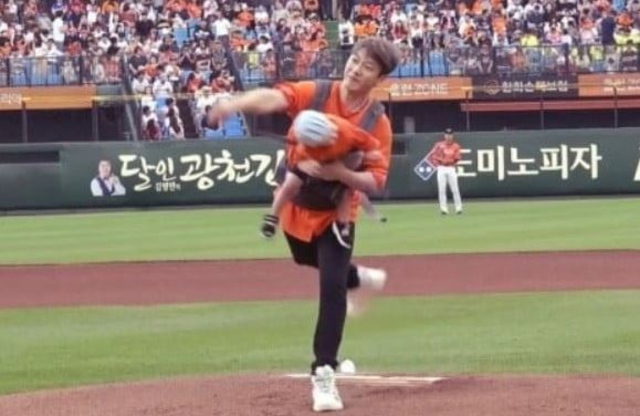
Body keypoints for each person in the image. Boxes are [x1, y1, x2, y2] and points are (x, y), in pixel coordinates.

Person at [208, 37, 399, 413]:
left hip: (338, 210)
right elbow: (274, 98)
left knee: (331, 286)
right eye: (355, 60)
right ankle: (359, 278)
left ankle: (324, 372)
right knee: (304, 257)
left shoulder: (377, 122)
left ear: (379, 79)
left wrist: (339, 173)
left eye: (368, 67)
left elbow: (375, 180)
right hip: (298, 204)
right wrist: (233, 104)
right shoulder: (318, 93)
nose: (356, 69)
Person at [260, 109, 382, 248]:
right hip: (309, 162)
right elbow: (293, 161)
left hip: (340, 161)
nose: (332, 138)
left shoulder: (346, 131)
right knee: (289, 185)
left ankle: (343, 226)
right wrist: (304, 164)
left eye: (330, 134)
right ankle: (272, 218)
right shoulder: (298, 142)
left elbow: (371, 146)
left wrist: (363, 157)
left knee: (344, 191)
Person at [428, 128, 463, 215]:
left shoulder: (456, 146)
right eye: (447, 134)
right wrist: (437, 164)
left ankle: (458, 208)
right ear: (444, 135)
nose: (448, 136)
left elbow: (457, 157)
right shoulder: (439, 145)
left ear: (452, 136)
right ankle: (443, 209)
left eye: (450, 134)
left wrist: (450, 161)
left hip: (451, 168)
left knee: (455, 189)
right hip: (441, 168)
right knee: (442, 189)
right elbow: (432, 155)